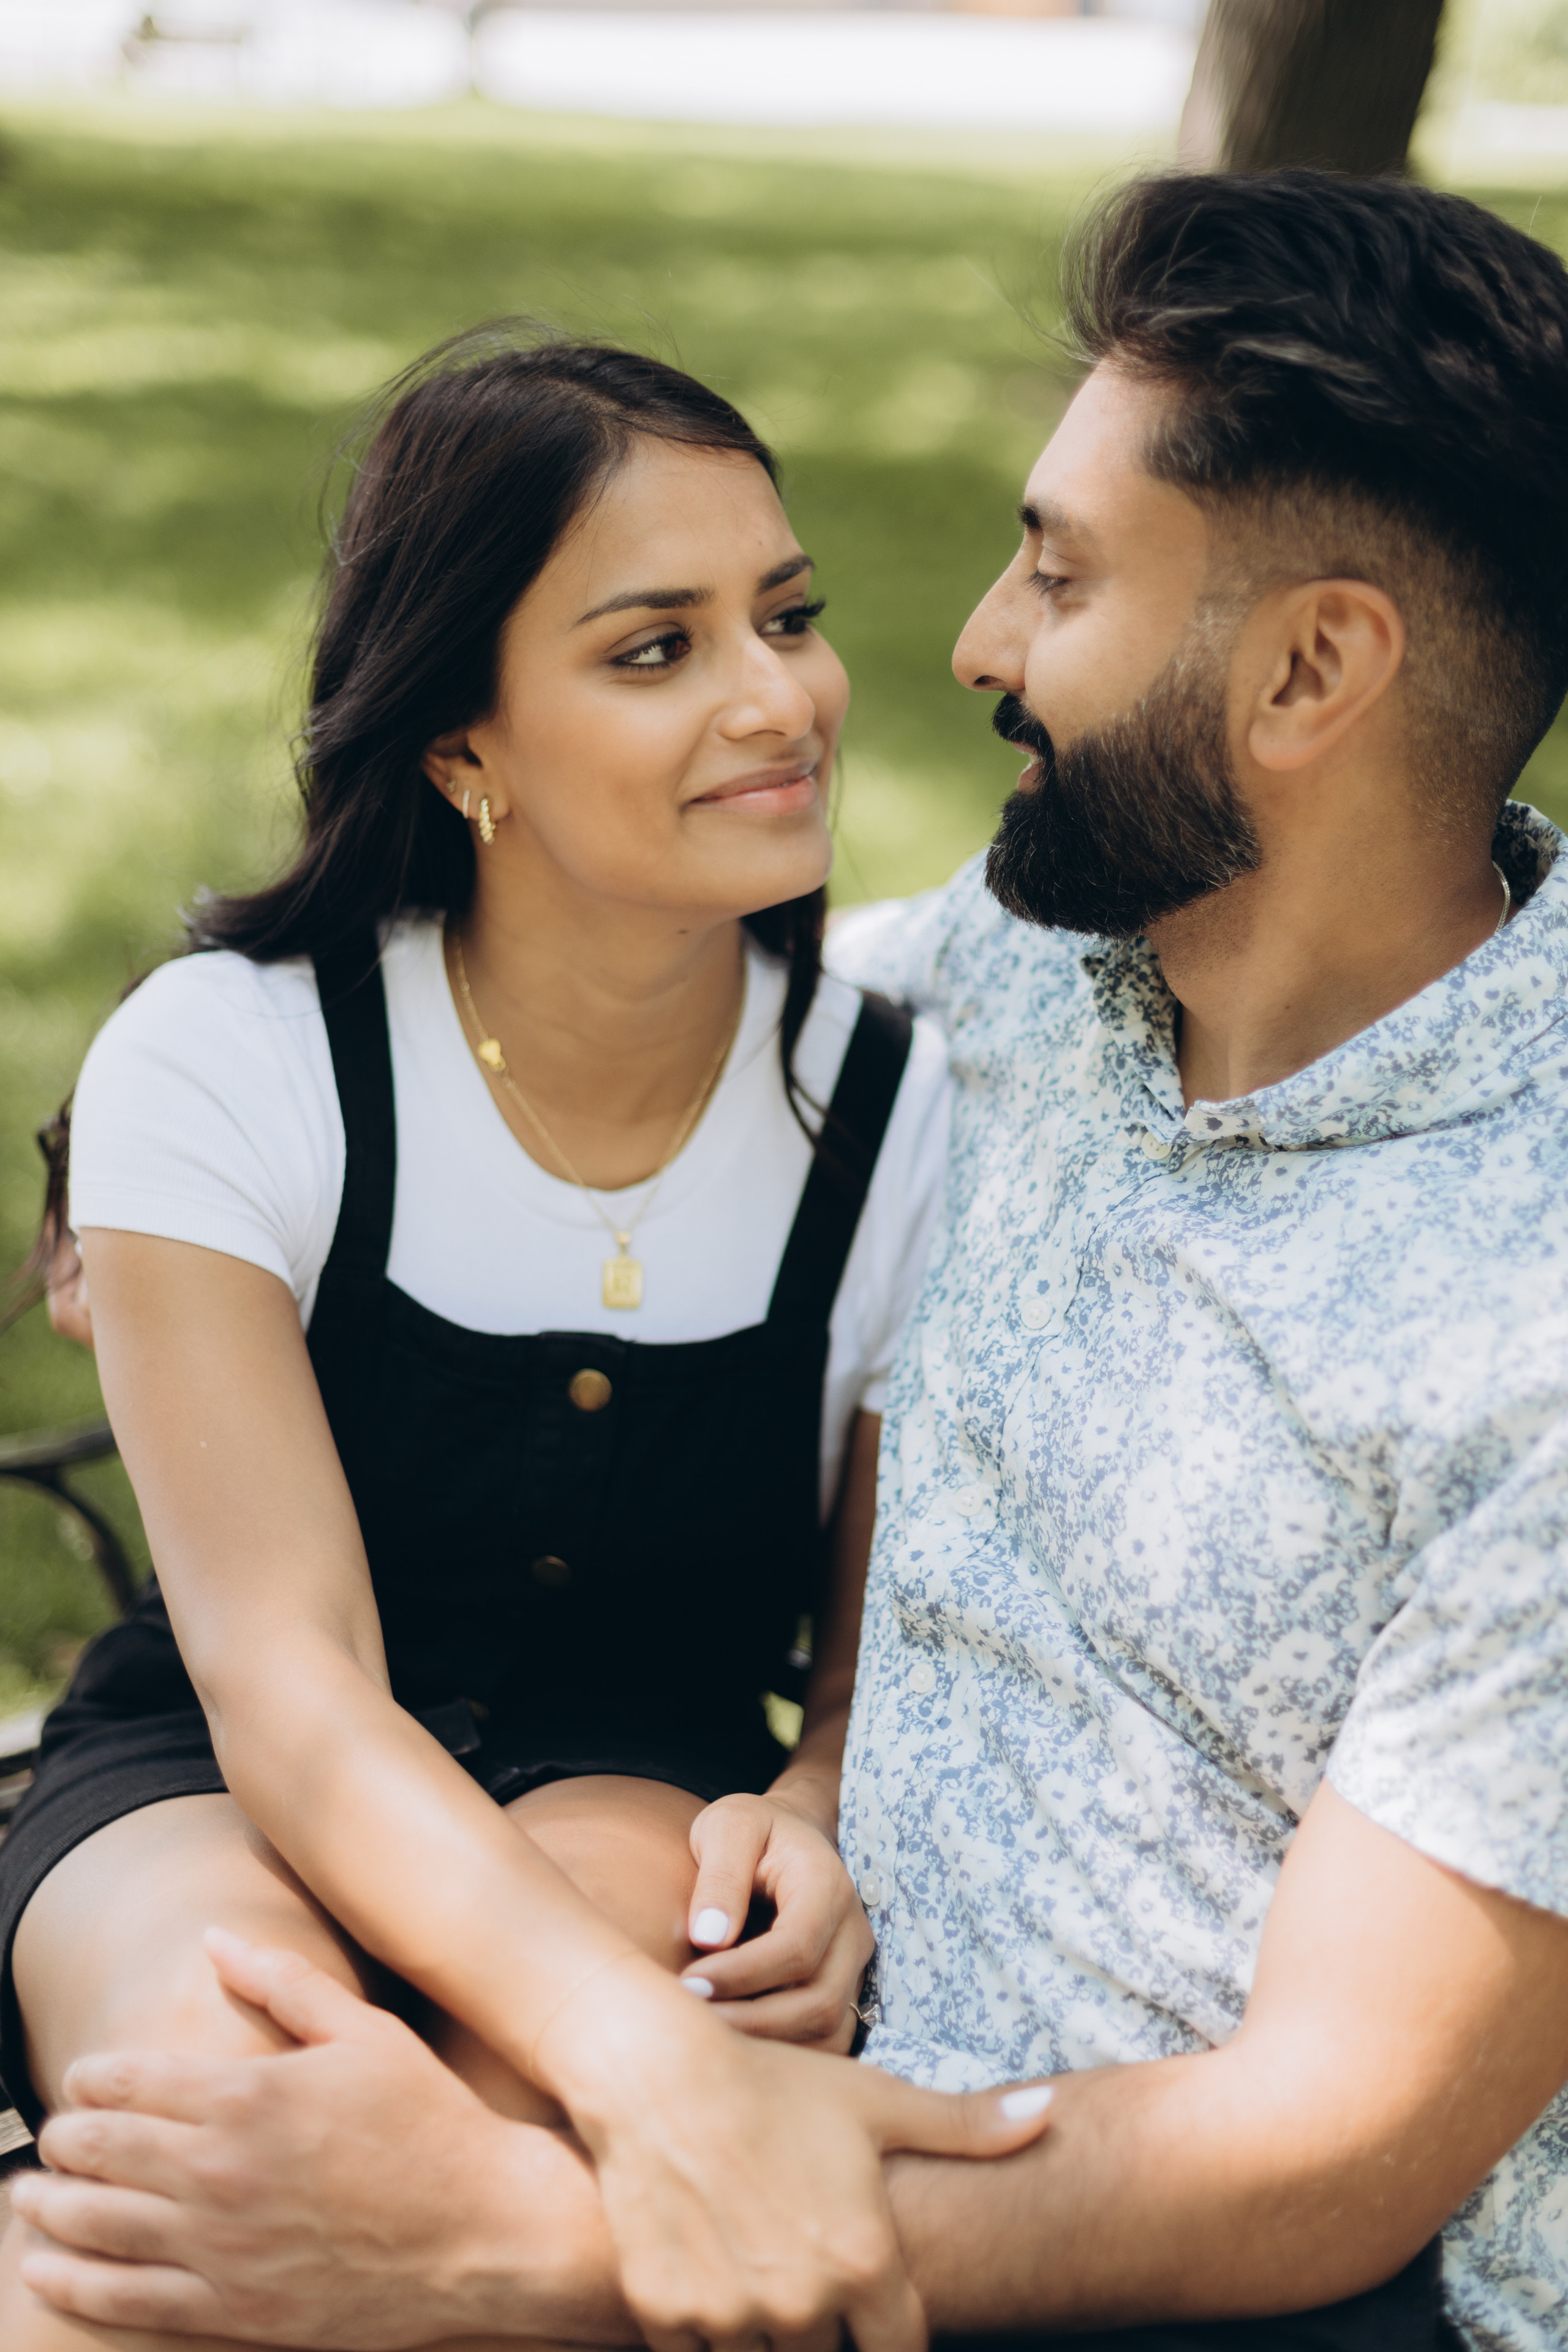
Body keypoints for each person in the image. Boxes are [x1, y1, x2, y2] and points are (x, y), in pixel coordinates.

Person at [12, 165, 1568, 2351]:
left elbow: (1327, 2156)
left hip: (1141, 2265)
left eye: (1057, 571)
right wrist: (162, 1149)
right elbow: (607, 1001)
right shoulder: (1036, 992)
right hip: (772, 2040)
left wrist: (536, 2257)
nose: (968, 652)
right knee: (145, 2222)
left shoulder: (1532, 1308)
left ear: (1312, 668)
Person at [0, 331, 1057, 2352]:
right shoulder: (233, 1063)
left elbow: (859, 1676)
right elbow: (292, 1692)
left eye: (792, 615)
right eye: (655, 649)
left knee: (522, 2193)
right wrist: (647, 2066)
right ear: (463, 747)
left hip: (631, 1784)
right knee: (216, 2140)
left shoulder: (906, 1117)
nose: (781, 699)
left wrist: (812, 1822)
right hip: (212, 1779)